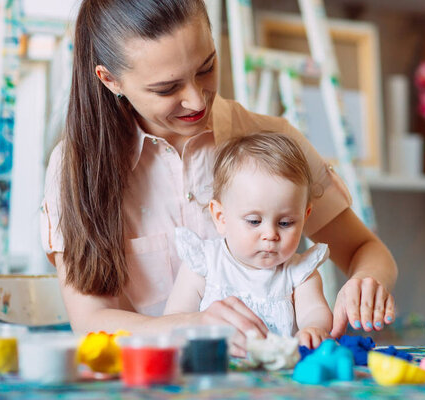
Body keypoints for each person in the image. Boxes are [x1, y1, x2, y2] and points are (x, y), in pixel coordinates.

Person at [40, 0, 397, 356]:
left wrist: (367, 282)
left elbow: (366, 250)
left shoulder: (272, 142)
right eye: (167, 89)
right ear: (110, 79)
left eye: (206, 68)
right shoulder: (77, 168)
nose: (196, 101)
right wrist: (190, 326)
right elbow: (90, 320)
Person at [165, 133, 332, 349]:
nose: (270, 234)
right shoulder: (203, 264)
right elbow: (175, 319)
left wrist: (313, 329)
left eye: (286, 223)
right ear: (221, 217)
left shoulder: (299, 273)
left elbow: (315, 311)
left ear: (304, 216)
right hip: (217, 371)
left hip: (279, 376)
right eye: (254, 221)